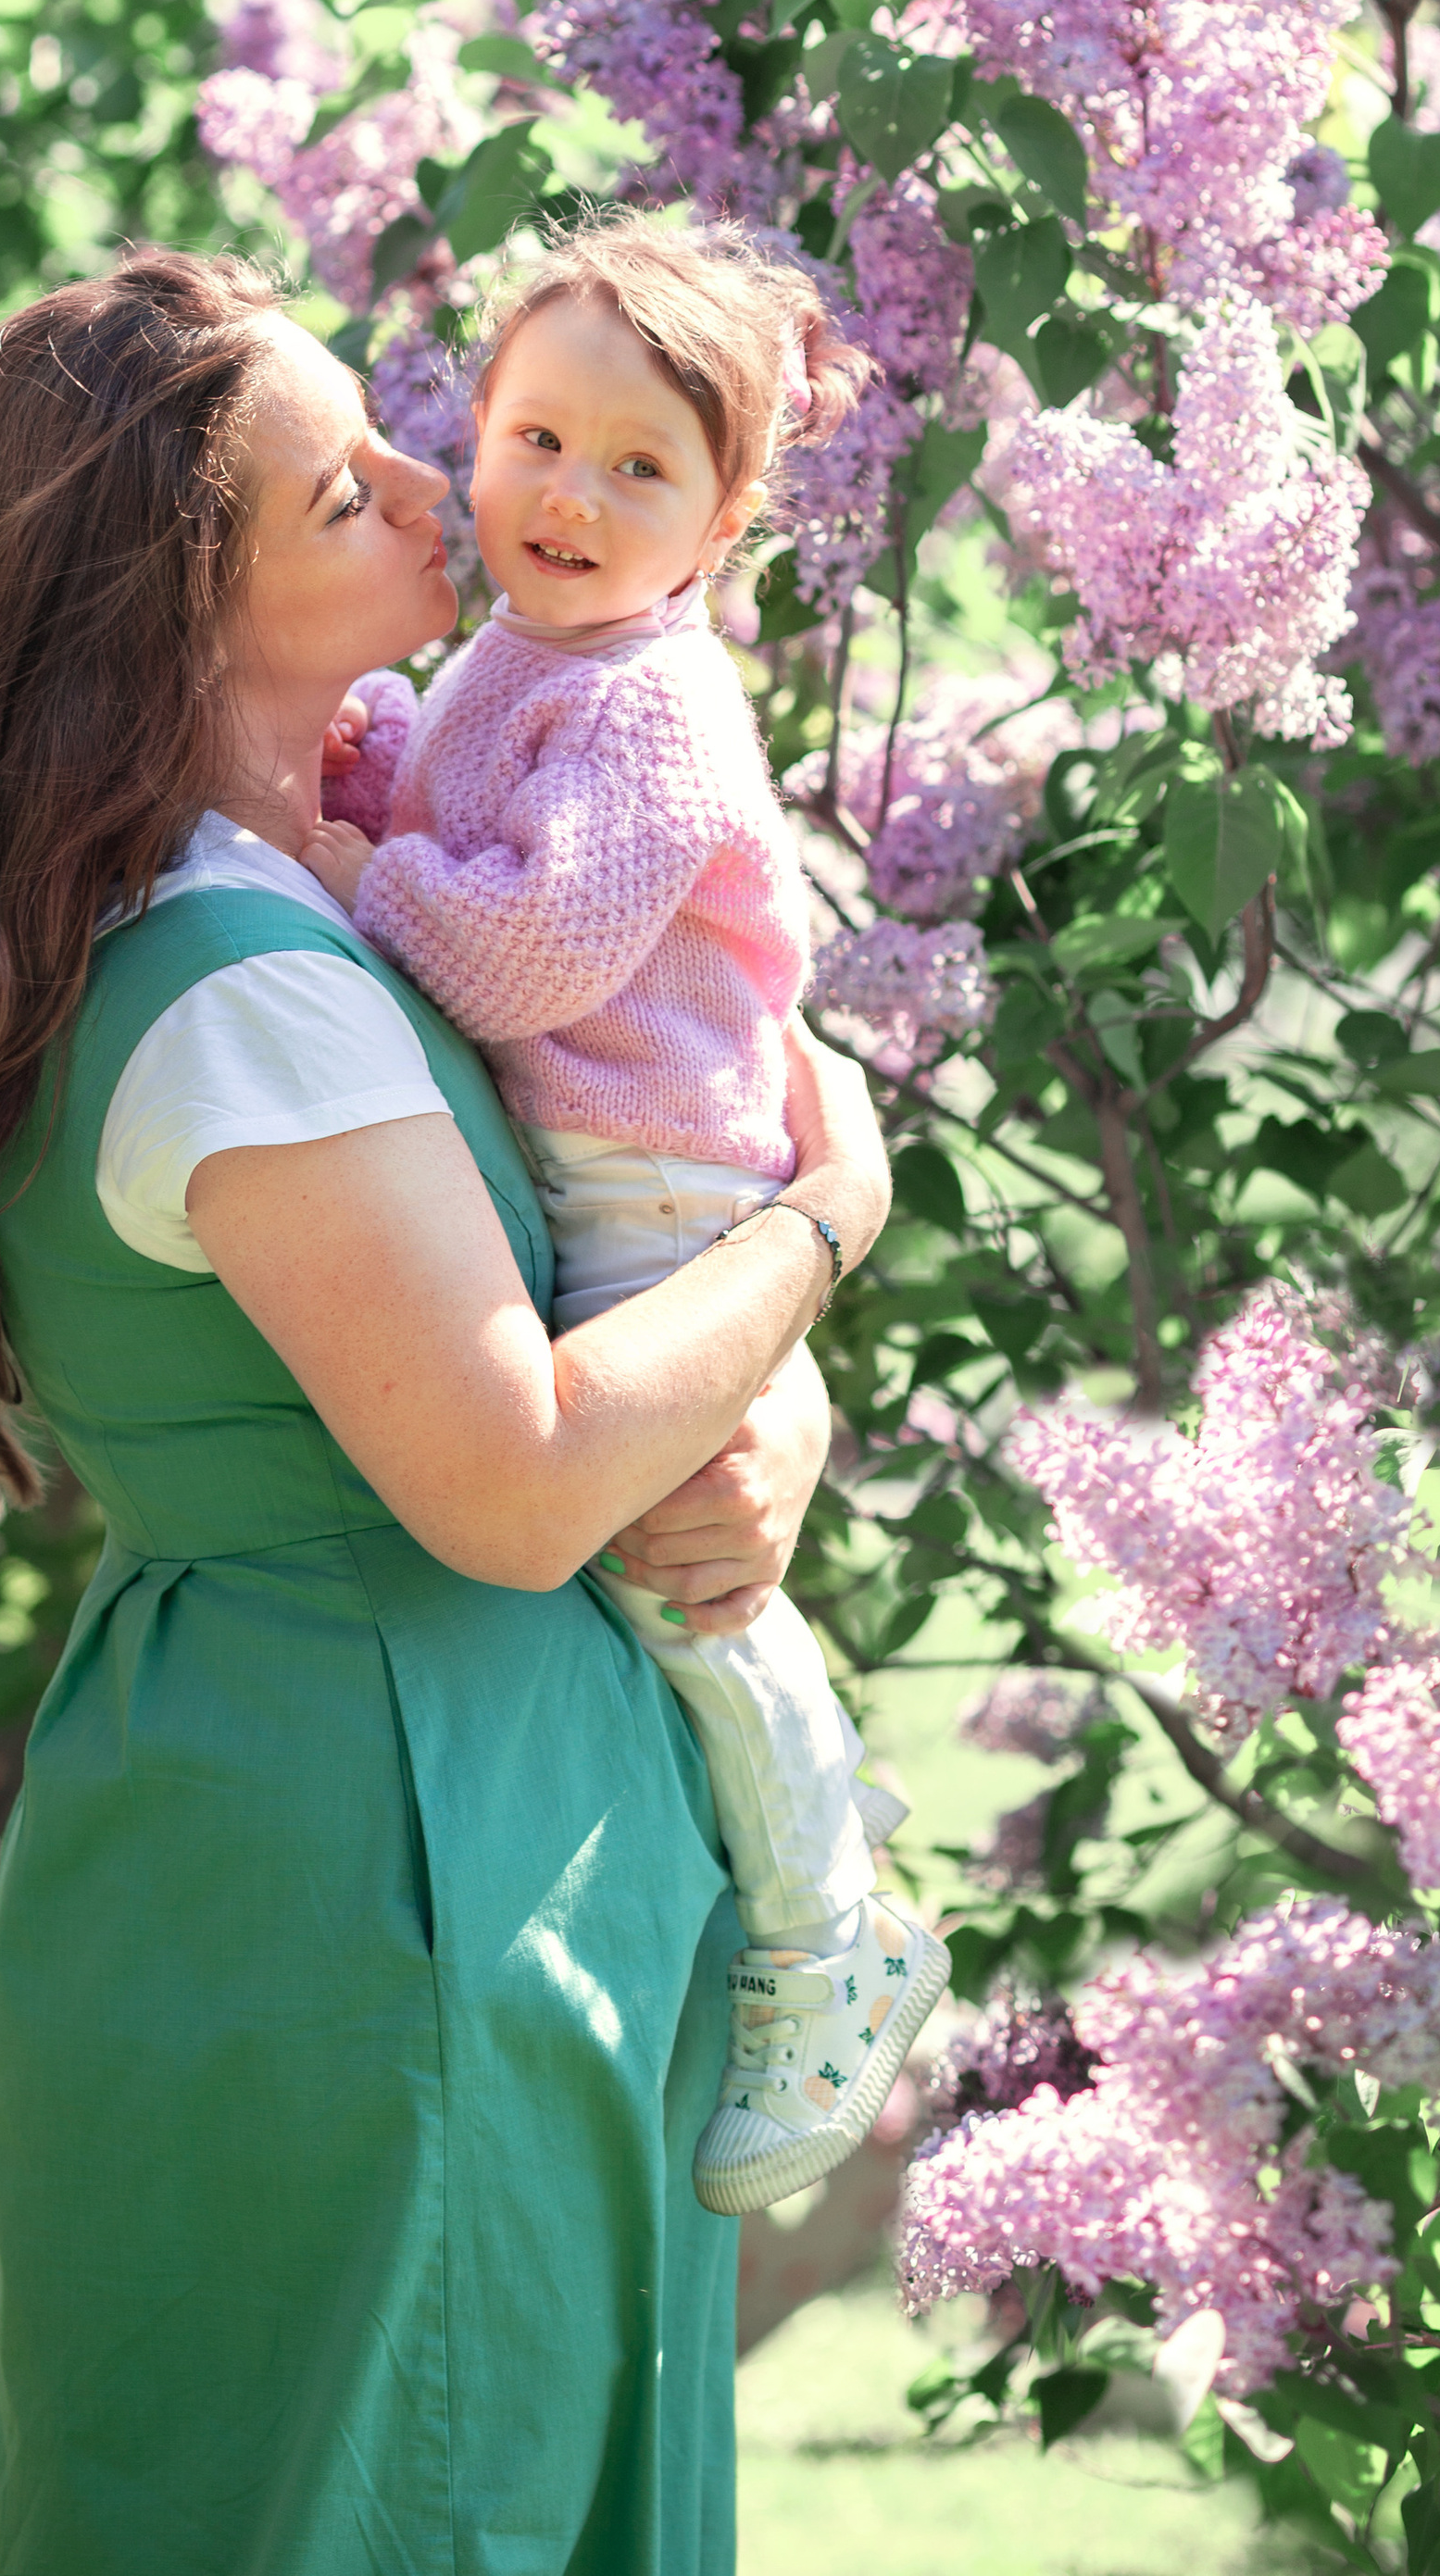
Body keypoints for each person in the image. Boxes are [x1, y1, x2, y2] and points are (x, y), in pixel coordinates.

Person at [0, 244, 892, 2576]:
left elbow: (563, 1293)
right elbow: (513, 1479)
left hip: (304, 1805)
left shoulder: (246, 909)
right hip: (404, 1849)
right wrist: (823, 1222)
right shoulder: (250, 986)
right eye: (334, 493)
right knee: (405, 2497)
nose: (430, 485)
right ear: (179, 610)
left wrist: (758, 1423)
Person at [307, 216, 945, 2220]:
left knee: (676, 1582)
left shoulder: (652, 701)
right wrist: (374, 771)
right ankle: (802, 1823)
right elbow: (472, 827)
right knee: (653, 1575)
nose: (569, 496)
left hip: (660, 1178)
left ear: (722, 524)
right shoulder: (526, 654)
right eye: (536, 439)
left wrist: (353, 868)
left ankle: (830, 1933)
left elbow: (529, 944)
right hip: (613, 1163)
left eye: (638, 467)